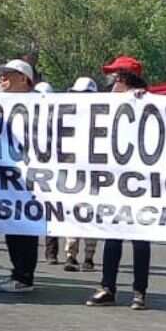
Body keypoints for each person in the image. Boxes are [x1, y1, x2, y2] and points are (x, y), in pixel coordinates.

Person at [87, 55, 152, 311]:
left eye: (115, 78)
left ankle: (139, 291)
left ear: (124, 79)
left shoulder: (149, 105)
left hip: (143, 182)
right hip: (115, 181)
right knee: (113, 235)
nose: (112, 83)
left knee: (140, 238)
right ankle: (107, 287)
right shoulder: (111, 104)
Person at [0, 58, 39, 293]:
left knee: (25, 227)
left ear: (24, 79)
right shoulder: (1, 104)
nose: (3, 78)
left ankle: (24, 275)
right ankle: (18, 271)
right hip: (8, 178)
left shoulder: (41, 105)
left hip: (31, 179)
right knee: (12, 225)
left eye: (8, 74)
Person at [63, 76, 99, 273]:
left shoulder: (103, 115)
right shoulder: (70, 116)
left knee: (90, 213)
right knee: (74, 212)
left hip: (94, 172)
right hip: (75, 169)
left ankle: (88, 257)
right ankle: (72, 255)